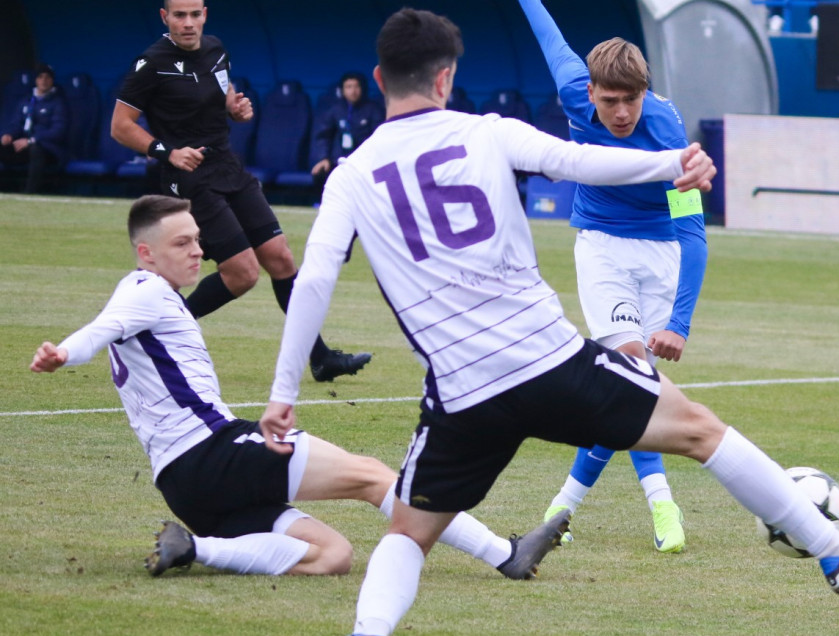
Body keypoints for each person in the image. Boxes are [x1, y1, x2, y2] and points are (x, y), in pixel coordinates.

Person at [259, 9, 839, 636]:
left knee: (408, 534)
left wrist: (284, 392)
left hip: (461, 394)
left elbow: (314, 280)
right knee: (701, 431)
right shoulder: (488, 131)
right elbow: (578, 162)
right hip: (549, 363)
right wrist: (672, 164)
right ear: (445, 78)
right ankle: (834, 550)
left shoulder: (349, 177)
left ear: (378, 80)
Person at [29, 194, 566, 580]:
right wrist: (64, 353)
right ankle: (505, 554)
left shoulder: (154, 293)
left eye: (198, 239)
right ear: (146, 254)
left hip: (185, 486)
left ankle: (195, 548)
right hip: (213, 454)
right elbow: (103, 327)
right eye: (183, 243)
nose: (200, 252)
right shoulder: (144, 289)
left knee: (332, 555)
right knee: (373, 477)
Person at [519, 0, 708, 553]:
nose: (621, 111)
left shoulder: (668, 132)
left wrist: (680, 322)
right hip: (601, 250)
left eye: (631, 99)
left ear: (645, 93)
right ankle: (663, 504)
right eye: (610, 100)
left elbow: (692, 232)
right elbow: (549, 35)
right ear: (591, 93)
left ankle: (562, 508)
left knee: (632, 391)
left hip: (661, 255)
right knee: (632, 370)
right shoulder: (574, 89)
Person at [110, 0, 369, 383]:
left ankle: (320, 358)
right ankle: (159, 337)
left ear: (205, 15)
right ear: (164, 18)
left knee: (281, 259)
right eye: (179, 16)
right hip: (191, 177)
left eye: (195, 14)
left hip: (228, 166)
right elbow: (121, 125)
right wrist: (168, 152)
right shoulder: (151, 63)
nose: (188, 23)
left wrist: (236, 107)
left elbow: (224, 94)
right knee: (243, 274)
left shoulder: (216, 49)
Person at [310, 72, 385, 191]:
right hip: (339, 161)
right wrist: (323, 158)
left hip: (364, 161)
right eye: (348, 87)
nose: (353, 91)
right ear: (343, 90)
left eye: (356, 86)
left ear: (362, 88)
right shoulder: (335, 110)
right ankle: (322, 204)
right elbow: (324, 136)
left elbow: (379, 138)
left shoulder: (374, 109)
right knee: (320, 173)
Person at [0, 63, 68, 194]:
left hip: (49, 149)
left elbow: (58, 131)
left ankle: (29, 193)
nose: (44, 80)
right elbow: (16, 124)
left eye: (47, 77)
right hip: (24, 146)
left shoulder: (59, 103)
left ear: (52, 80)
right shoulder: (26, 100)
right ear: (36, 80)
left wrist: (32, 140)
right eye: (40, 77)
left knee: (36, 150)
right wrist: (8, 135)